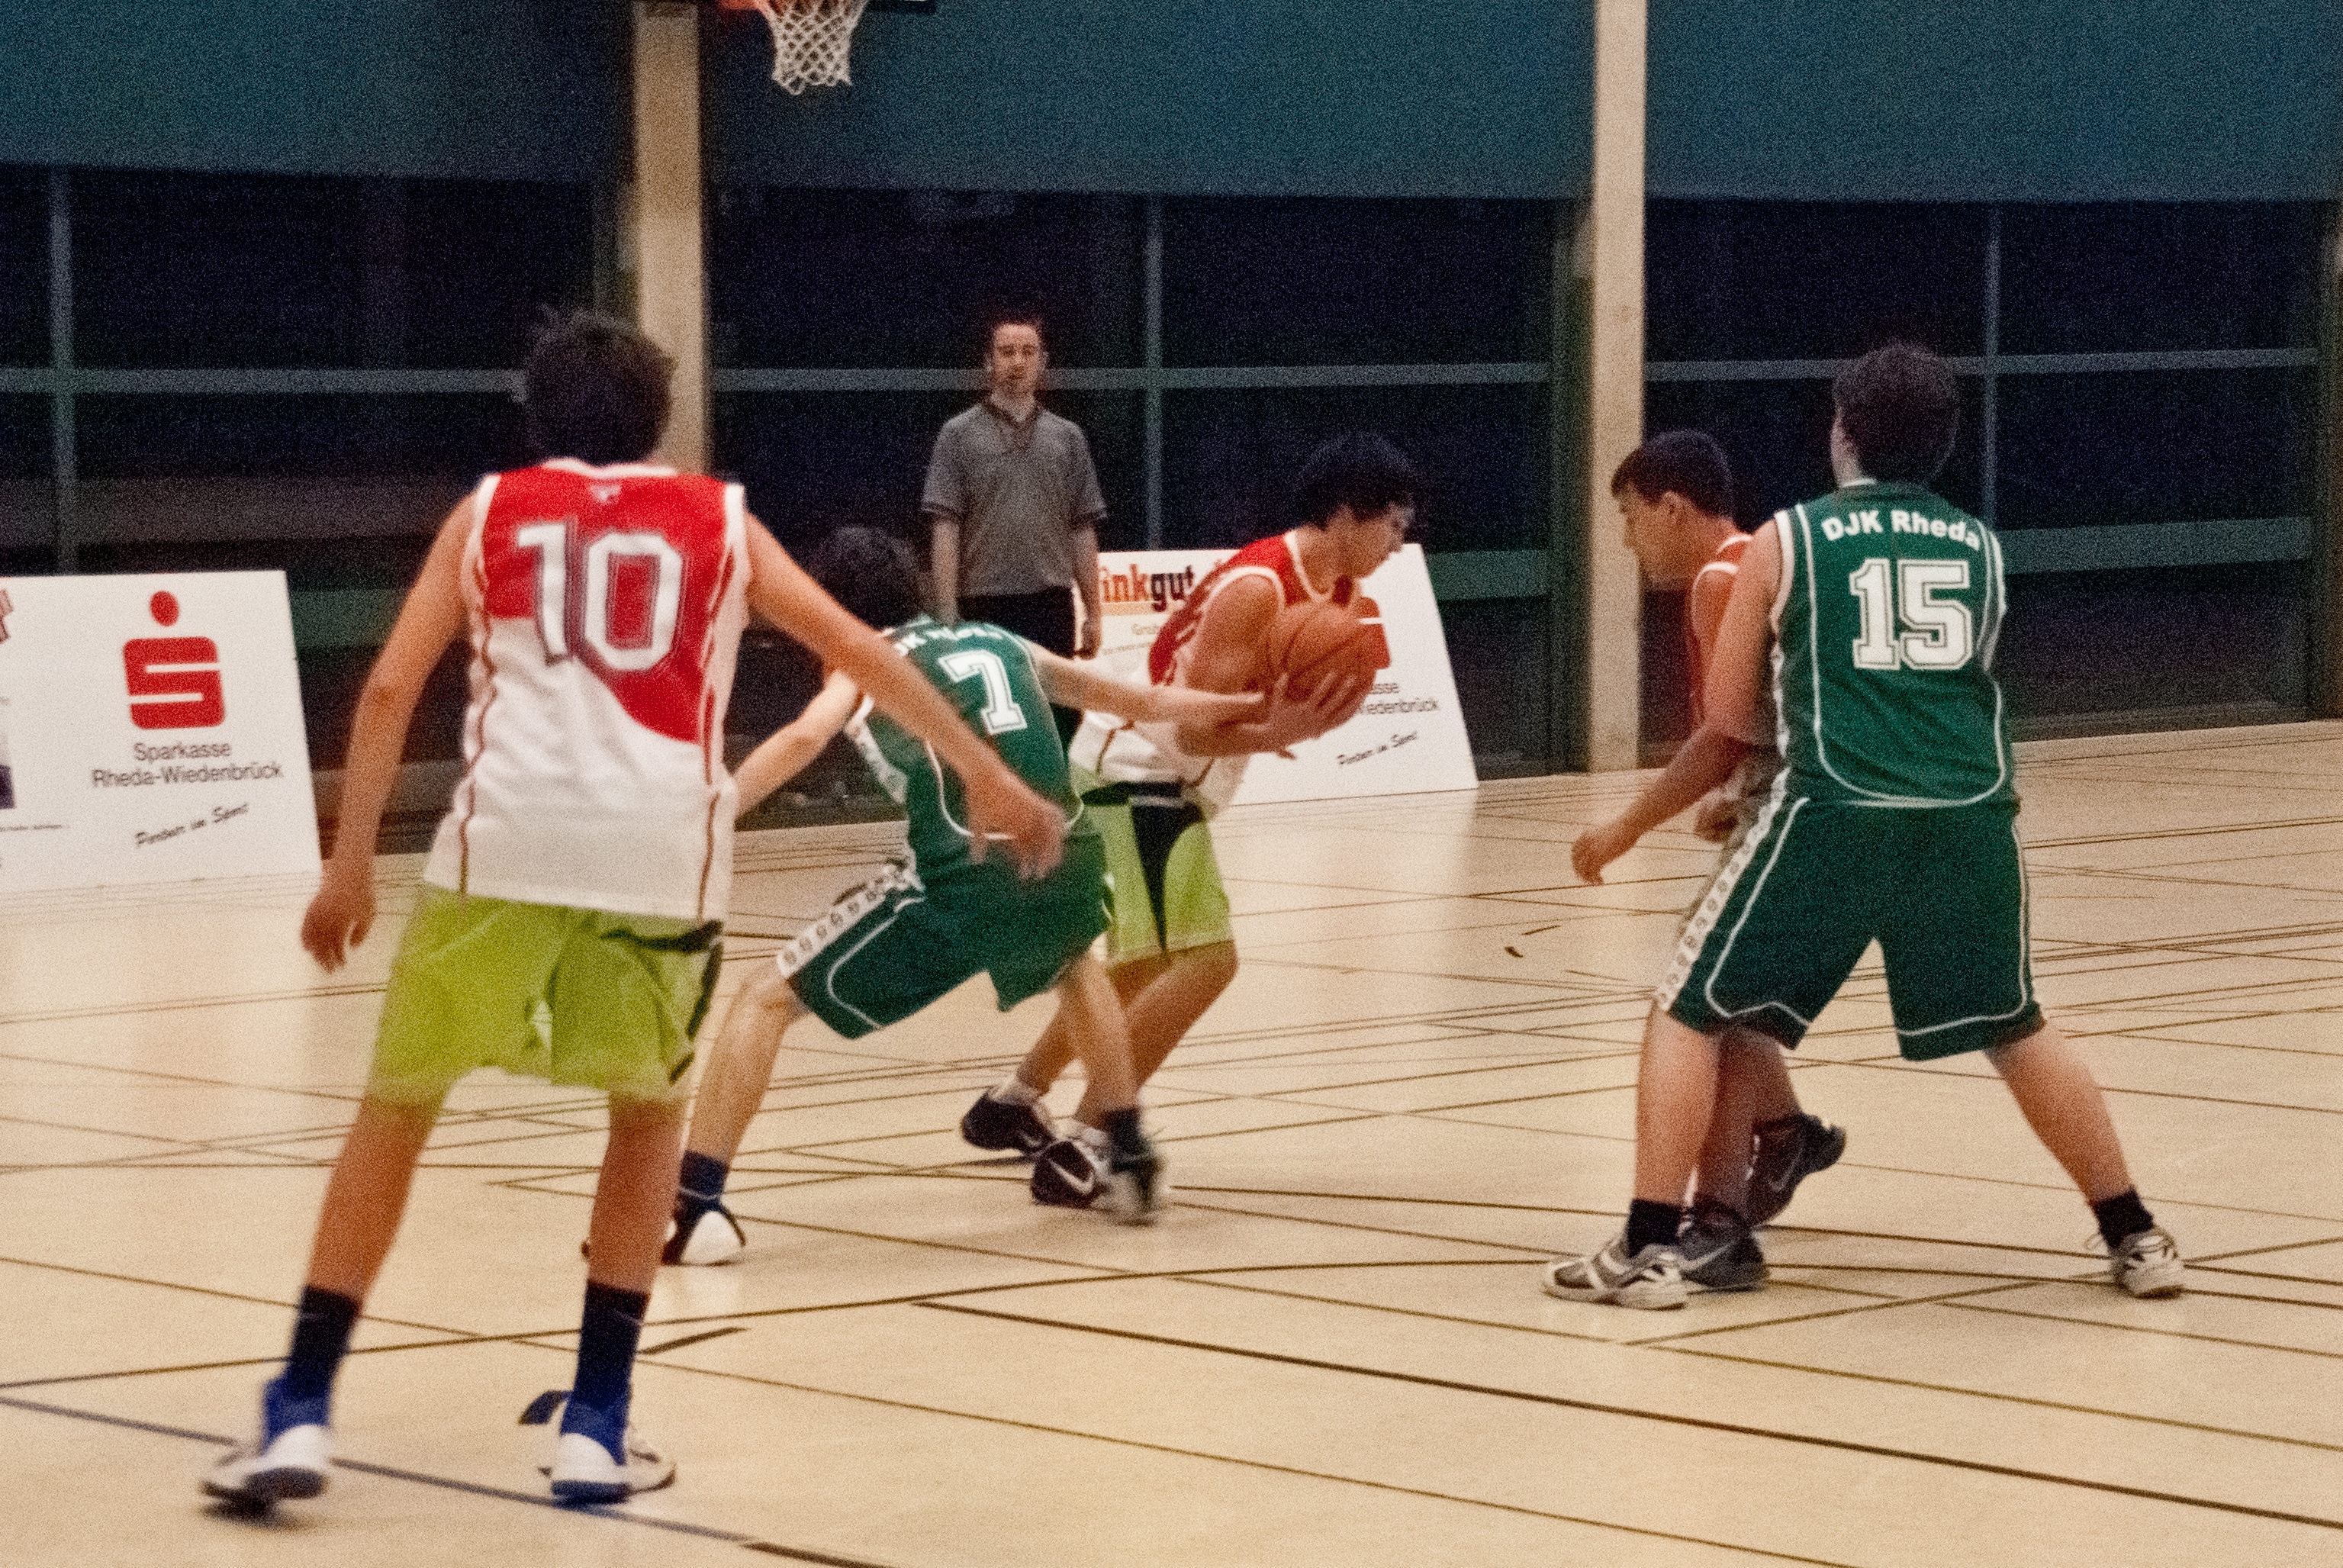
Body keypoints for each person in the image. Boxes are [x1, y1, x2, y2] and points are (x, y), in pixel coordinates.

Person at [204, 314, 1065, 1508]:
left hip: (502, 847)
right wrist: (989, 774)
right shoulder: (719, 518)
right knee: (644, 1124)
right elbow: (864, 651)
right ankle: (594, 1428)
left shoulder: (490, 511)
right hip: (657, 860)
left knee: (393, 1115)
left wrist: (347, 864)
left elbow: (392, 683)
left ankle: (300, 1408)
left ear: (534, 414)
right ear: (659, 419)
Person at [1543, 344, 2184, 1309]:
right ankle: (2134, 1233)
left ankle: (1646, 1243)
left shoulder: (1786, 538)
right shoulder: (1978, 546)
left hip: (1834, 808)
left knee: (1687, 1006)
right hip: (1967, 812)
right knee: (2016, 1026)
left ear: (1842, 431)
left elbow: (1734, 717)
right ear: (1942, 444)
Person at [661, 527, 1278, 1256]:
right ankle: (1130, 1154)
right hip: (1068, 850)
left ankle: (696, 1204)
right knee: (1074, 964)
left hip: (964, 873)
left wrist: (714, 812)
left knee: (763, 998)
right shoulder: (998, 640)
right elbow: (1130, 696)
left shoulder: (863, 657)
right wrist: (1249, 707)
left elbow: (803, 738)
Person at [958, 432, 1414, 1204]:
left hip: (1163, 777)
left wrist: (1313, 711)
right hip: (1138, 771)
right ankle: (1089, 1142)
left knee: (1140, 965)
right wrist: (1277, 730)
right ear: (1345, 513)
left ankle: (1012, 1103)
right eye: (1393, 525)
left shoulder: (1340, 597)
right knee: (1206, 960)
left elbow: (1260, 714)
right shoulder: (1258, 588)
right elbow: (1191, 729)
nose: (1399, 544)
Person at [1569, 430, 1846, 1290]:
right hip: (1837, 799)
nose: (1625, 541)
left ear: (1670, 507)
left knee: (1697, 1006)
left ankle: (1718, 1213)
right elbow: (1783, 713)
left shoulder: (1720, 580)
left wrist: (1625, 826)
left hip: (1796, 814)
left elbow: (1721, 736)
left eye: (1627, 518)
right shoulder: (1771, 561)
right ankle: (1782, 1139)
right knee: (1728, 994)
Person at [924, 317, 1107, 746]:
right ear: (988, 362)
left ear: (1043, 362)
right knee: (988, 732)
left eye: (1028, 352)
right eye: (1006, 352)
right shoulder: (957, 435)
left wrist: (1095, 612)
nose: (1017, 362)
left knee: (1057, 726)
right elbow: (945, 528)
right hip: (983, 605)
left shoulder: (1068, 438)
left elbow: (1082, 530)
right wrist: (947, 615)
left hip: (1050, 605)